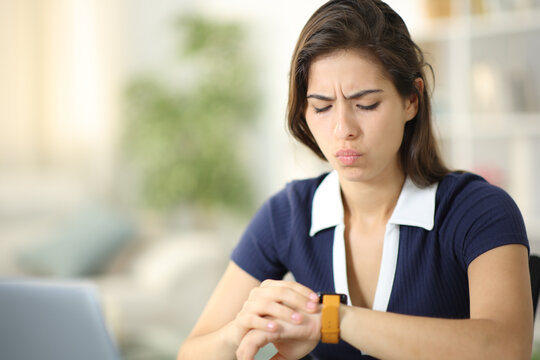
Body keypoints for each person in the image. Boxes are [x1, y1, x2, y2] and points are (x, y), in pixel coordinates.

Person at [177, 0, 533, 359]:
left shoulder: (479, 210)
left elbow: (506, 347)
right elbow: (192, 352)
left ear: (412, 100)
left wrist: (330, 320)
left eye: (365, 105)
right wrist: (236, 332)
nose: (343, 130)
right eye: (322, 106)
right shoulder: (287, 214)